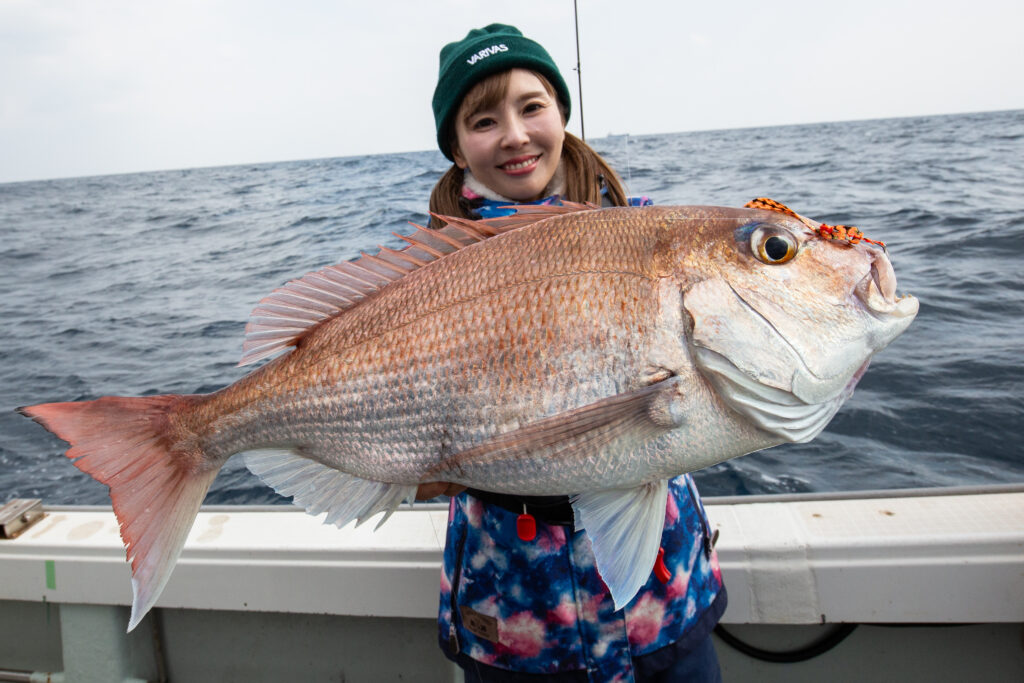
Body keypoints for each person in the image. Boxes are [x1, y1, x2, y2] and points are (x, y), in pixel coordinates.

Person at [416, 24, 727, 682]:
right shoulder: (425, 278)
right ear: (456, 147)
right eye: (483, 120)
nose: (514, 135)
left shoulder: (654, 236)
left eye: (532, 106)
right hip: (514, 612)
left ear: (561, 111)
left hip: (662, 599)